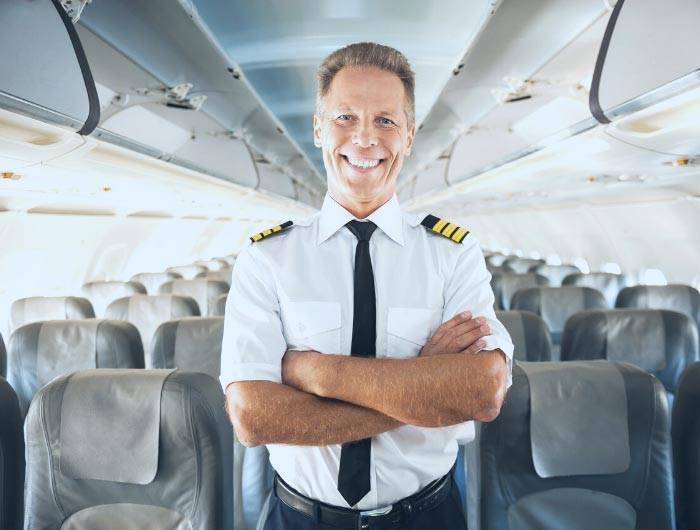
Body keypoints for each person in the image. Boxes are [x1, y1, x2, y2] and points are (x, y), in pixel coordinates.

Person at [220, 42, 513, 530]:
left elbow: (481, 391)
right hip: (299, 518)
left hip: (429, 516)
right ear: (317, 128)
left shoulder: (453, 252)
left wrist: (312, 372)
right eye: (344, 118)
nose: (365, 138)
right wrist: (422, 386)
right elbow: (254, 417)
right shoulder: (265, 257)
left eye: (386, 121)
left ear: (410, 135)